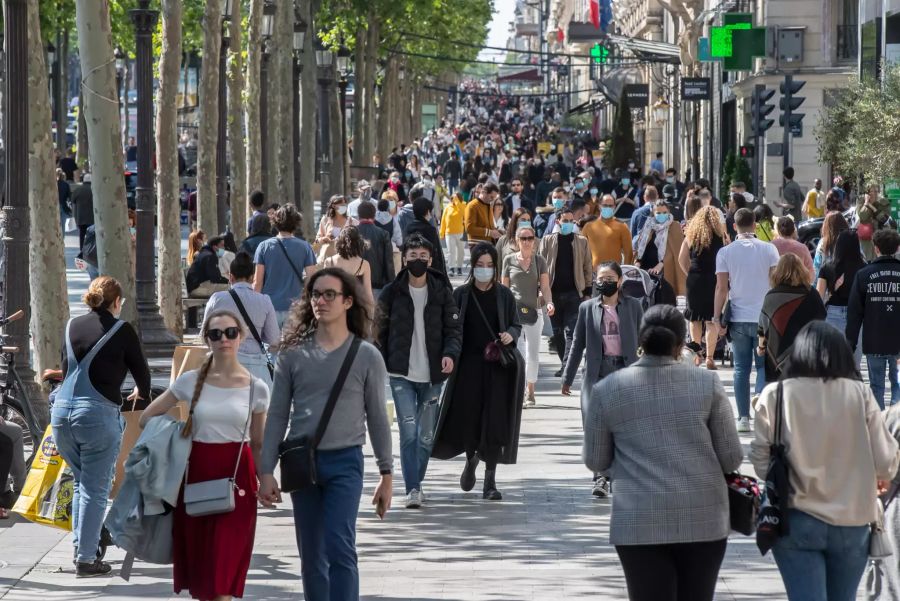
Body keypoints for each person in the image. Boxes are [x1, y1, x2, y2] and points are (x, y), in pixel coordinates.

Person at [584, 304, 743, 601]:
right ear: (681, 343)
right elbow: (732, 457)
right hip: (703, 518)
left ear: (641, 341)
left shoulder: (608, 389)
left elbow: (596, 460)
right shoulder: (707, 384)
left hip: (638, 519)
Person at [259, 268, 393, 600]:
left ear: (348, 301)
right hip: (302, 463)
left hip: (345, 462)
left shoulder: (366, 355)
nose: (321, 301)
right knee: (311, 558)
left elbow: (378, 417)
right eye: (315, 295)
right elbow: (277, 414)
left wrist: (386, 473)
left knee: (339, 546)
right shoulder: (292, 354)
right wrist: (265, 470)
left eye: (329, 294)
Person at [750, 321, 900, 601]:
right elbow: (886, 462)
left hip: (796, 519)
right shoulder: (861, 394)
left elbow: (760, 461)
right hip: (852, 522)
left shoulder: (776, 394)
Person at [140, 310, 269, 600]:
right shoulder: (189, 381)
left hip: (239, 481)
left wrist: (267, 480)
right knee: (203, 573)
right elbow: (148, 417)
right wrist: (176, 438)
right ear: (207, 340)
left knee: (222, 573)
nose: (224, 339)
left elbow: (259, 443)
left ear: (241, 337)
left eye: (231, 332)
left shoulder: (257, 389)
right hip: (196, 474)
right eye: (215, 334)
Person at [51, 276, 151, 577]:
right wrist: (139, 393)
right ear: (116, 301)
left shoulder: (71, 326)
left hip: (61, 414)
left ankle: (84, 548)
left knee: (83, 483)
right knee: (95, 488)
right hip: (96, 416)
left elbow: (66, 368)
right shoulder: (122, 330)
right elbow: (142, 374)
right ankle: (85, 559)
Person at [431, 243, 524, 501]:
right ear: (472, 267)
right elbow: (451, 328)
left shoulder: (504, 295)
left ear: (495, 267)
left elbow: (516, 324)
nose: (484, 270)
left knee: (494, 424)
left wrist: (510, 335)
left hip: (497, 368)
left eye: (489, 265)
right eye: (479, 265)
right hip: (468, 369)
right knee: (470, 421)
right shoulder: (461, 294)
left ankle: (490, 482)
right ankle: (471, 458)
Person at [376, 235, 461, 509]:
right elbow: (379, 331)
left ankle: (417, 482)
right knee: (408, 432)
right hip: (400, 374)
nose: (417, 261)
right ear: (404, 258)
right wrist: (380, 361)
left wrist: (449, 354)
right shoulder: (391, 291)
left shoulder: (441, 291)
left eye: (423, 256)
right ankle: (413, 488)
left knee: (425, 436)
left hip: (433, 375)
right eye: (412, 256)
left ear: (431, 259)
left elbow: (453, 330)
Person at [564, 261, 643, 498]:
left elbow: (644, 339)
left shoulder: (633, 306)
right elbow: (577, 343)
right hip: (596, 374)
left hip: (625, 372)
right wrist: (567, 377)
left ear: (620, 282)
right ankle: (600, 477)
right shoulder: (587, 308)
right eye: (600, 278)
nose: (604, 282)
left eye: (609, 278)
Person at [714, 208, 780, 431]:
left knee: (741, 368)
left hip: (739, 317)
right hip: (765, 316)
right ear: (755, 225)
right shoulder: (769, 250)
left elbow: (721, 288)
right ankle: (760, 397)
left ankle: (743, 418)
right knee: (763, 366)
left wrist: (717, 318)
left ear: (734, 227)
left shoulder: (725, 253)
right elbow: (776, 284)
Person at [203, 252, 279, 386]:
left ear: (230, 277)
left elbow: (204, 335)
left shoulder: (217, 298)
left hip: (223, 366)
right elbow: (274, 340)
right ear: (252, 278)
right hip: (256, 369)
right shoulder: (264, 301)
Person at [502, 222, 553, 408]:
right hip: (513, 315)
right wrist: (501, 311)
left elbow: (545, 287)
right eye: (523, 238)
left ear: (534, 241)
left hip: (534, 312)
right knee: (519, 353)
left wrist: (549, 302)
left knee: (533, 354)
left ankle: (530, 390)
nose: (526, 242)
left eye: (530, 238)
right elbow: (504, 288)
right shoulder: (508, 260)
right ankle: (518, 389)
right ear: (516, 240)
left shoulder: (540, 261)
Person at [847, 229, 900, 410]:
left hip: (874, 340)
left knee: (876, 386)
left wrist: (850, 343)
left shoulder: (864, 275)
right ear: (897, 248)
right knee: (898, 385)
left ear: (876, 249)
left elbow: (854, 314)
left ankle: (879, 427)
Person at [538, 207, 593, 377]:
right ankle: (565, 364)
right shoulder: (547, 241)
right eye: (565, 221)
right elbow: (539, 266)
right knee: (557, 332)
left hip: (573, 293)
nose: (569, 224)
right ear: (558, 222)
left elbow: (587, 267)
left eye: (572, 221)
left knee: (571, 331)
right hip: (552, 294)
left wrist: (587, 291)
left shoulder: (581, 241)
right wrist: (540, 289)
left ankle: (567, 367)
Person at [758, 253, 826, 382]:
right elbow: (821, 326)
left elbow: (763, 329)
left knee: (778, 399)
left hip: (775, 364)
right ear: (802, 270)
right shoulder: (812, 294)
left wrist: (761, 348)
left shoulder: (771, 296)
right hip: (806, 360)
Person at [254, 205, 317, 328]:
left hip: (270, 306)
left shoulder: (263, 247)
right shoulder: (305, 247)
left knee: (270, 345)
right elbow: (312, 280)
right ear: (296, 223)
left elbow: (257, 282)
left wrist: (254, 306)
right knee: (294, 345)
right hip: (296, 306)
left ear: (275, 222)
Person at [680, 206, 727, 369]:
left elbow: (681, 258)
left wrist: (689, 273)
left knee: (694, 318)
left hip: (695, 278)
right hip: (714, 279)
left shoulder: (691, 235)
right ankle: (710, 357)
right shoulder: (720, 237)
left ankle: (697, 354)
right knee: (711, 319)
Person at [816, 230, 865, 366]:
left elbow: (818, 297)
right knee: (854, 364)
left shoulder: (827, 267)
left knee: (832, 364)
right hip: (856, 316)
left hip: (832, 314)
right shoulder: (864, 268)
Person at [633, 200, 686, 305]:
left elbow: (677, 252)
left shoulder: (674, 226)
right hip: (646, 272)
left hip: (665, 274)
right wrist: (637, 261)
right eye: (658, 213)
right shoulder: (648, 225)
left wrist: (661, 264)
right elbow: (641, 247)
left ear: (669, 212)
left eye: (664, 212)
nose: (661, 215)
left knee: (665, 305)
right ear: (653, 213)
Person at [322, 226, 375, 309]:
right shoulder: (364, 264)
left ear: (339, 242)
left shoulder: (329, 261)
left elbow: (325, 287)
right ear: (359, 243)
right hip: (356, 308)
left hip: (334, 306)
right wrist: (372, 313)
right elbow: (368, 293)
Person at [581, 194, 634, 268]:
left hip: (613, 273)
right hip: (592, 273)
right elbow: (580, 250)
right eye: (605, 205)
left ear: (614, 207)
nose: (608, 208)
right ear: (599, 206)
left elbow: (628, 253)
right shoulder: (588, 226)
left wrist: (625, 271)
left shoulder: (622, 226)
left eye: (610, 206)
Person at [405, 197, 449, 285]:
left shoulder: (408, 228)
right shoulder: (430, 230)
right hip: (429, 273)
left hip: (411, 271)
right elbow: (437, 254)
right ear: (428, 212)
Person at [356, 201, 395, 297]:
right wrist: (392, 284)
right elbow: (388, 262)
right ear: (374, 215)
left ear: (358, 215)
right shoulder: (383, 234)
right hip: (377, 284)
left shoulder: (351, 233)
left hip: (355, 284)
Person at [771, 217, 815, 284]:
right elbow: (811, 272)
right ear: (794, 229)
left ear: (778, 230)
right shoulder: (802, 248)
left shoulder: (771, 246)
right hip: (798, 287)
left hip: (776, 287)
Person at [813, 210, 850, 279]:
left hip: (828, 285)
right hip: (851, 282)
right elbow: (862, 259)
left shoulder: (823, 243)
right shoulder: (851, 239)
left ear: (826, 226)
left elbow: (817, 268)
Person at [464, 182, 501, 246]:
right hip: (476, 245)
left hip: (488, 245)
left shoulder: (488, 205)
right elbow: (469, 228)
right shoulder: (472, 205)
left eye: (494, 198)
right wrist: (490, 232)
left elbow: (488, 226)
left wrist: (497, 231)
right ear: (484, 192)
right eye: (491, 197)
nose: (492, 200)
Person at [439, 192, 466, 277]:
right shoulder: (448, 207)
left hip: (461, 232)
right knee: (451, 252)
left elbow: (463, 213)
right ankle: (451, 268)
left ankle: (459, 268)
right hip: (449, 233)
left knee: (461, 251)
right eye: (453, 198)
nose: (454, 199)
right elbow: (443, 220)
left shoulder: (463, 205)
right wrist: (441, 232)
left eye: (456, 198)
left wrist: (458, 202)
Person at [72, 173, 94, 252]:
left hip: (81, 218)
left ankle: (82, 250)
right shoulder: (94, 189)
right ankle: (90, 250)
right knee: (92, 236)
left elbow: (73, 201)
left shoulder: (78, 190)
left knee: (82, 235)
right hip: (92, 218)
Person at [57, 168, 72, 234]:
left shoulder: (54, 184)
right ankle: (62, 239)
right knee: (62, 225)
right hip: (63, 206)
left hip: (54, 206)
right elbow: (69, 197)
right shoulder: (66, 185)